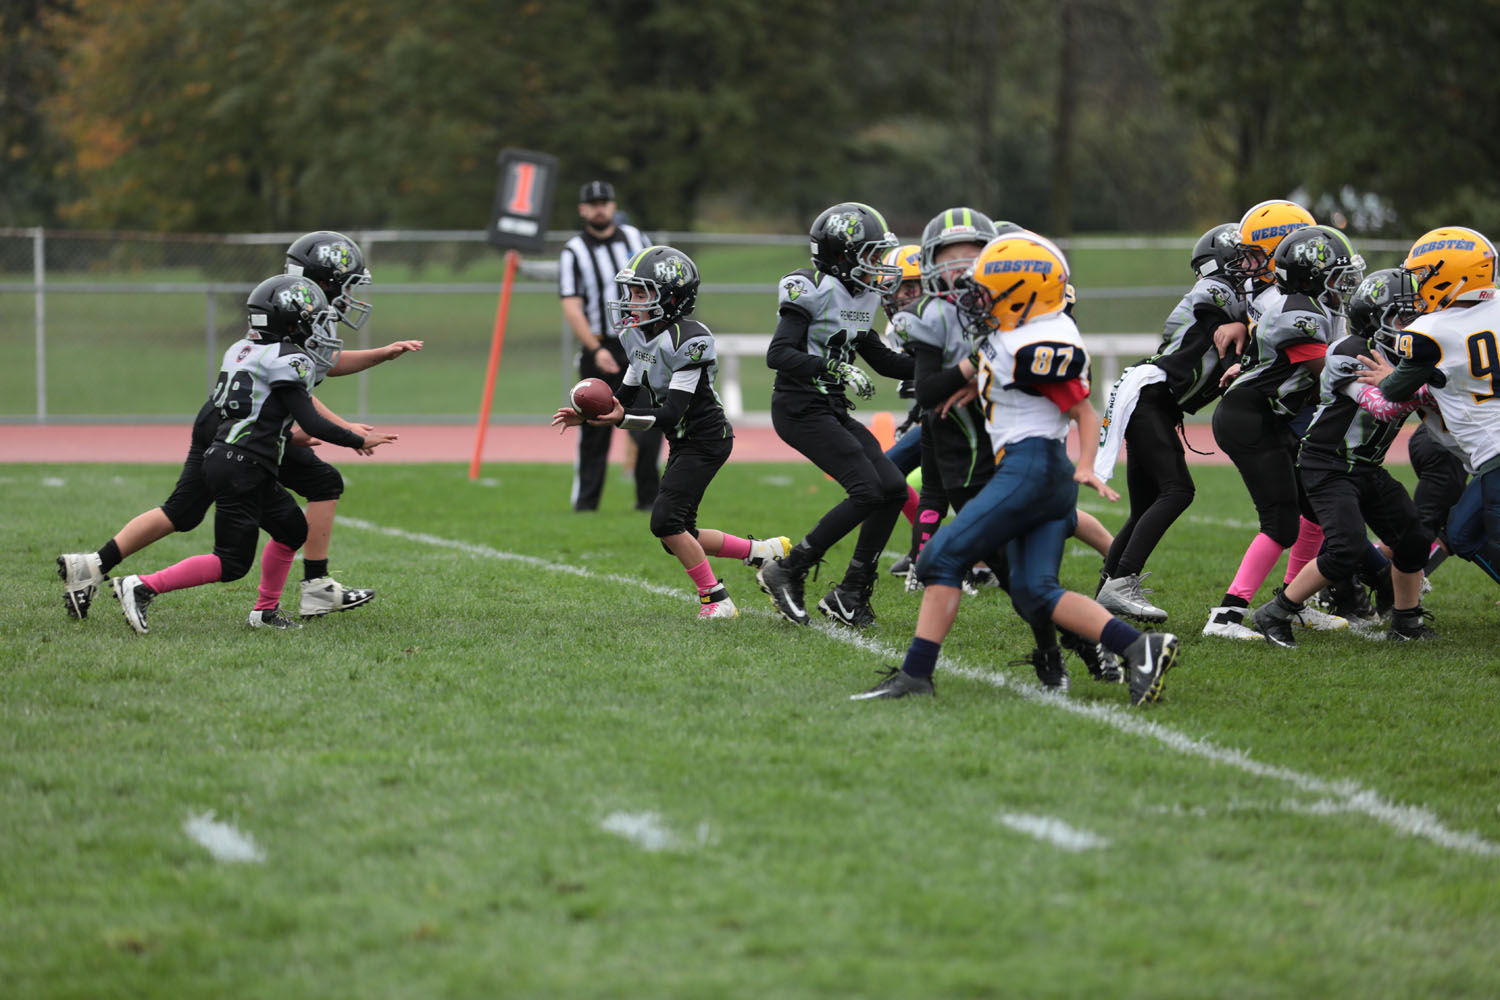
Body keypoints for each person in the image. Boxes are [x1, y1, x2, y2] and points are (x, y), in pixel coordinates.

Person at [853, 233, 1178, 705]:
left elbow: (1082, 410)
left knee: (937, 559)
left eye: (985, 290)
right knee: (1034, 589)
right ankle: (1139, 648)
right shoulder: (1017, 335)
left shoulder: (1039, 341)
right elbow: (1002, 375)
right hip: (1038, 473)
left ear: (1022, 291)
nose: (974, 298)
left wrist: (1087, 466)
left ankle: (916, 675)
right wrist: (979, 387)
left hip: (1030, 469)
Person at [57, 232, 419, 620]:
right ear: (326, 281)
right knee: (311, 490)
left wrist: (382, 355)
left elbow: (315, 371)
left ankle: (93, 565)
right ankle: (314, 588)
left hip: (233, 418)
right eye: (347, 283)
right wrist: (345, 431)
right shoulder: (295, 317)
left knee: (184, 511)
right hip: (246, 427)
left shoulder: (292, 313)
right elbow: (297, 392)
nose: (351, 293)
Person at [110, 275, 396, 635]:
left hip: (241, 459)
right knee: (230, 562)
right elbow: (311, 420)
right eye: (313, 319)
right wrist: (355, 437)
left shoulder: (242, 350)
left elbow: (268, 410)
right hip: (240, 465)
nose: (320, 326)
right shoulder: (290, 359)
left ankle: (265, 612)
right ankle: (143, 585)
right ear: (291, 322)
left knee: (292, 529)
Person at [553, 245, 789, 618]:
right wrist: (591, 414)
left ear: (673, 297)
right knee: (677, 534)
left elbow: (670, 411)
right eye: (631, 291)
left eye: (641, 292)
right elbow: (626, 393)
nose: (631, 300)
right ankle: (761, 553)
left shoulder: (688, 339)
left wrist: (620, 418)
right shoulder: (637, 335)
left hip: (706, 439)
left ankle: (716, 599)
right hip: (683, 440)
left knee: (665, 522)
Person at [1251, 267, 1436, 645]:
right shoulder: (1349, 350)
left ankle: (1406, 621)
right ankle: (1276, 612)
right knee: (1346, 548)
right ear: (1373, 319)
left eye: (1416, 313)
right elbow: (1381, 407)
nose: (1413, 323)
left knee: (1414, 537)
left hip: (1366, 466)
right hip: (1327, 464)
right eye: (1403, 315)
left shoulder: (1408, 359)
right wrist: (1409, 383)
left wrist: (1413, 381)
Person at [755, 201, 914, 628]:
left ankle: (851, 591)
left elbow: (880, 358)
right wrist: (834, 366)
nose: (879, 264)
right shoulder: (811, 286)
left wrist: (949, 367)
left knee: (893, 488)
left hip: (829, 407)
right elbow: (779, 354)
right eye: (871, 254)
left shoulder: (863, 293)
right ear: (842, 254)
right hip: (798, 405)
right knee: (866, 490)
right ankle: (788, 569)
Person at [1202, 207, 1352, 639]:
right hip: (1250, 418)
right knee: (1281, 521)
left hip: (1262, 414)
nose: (1343, 285)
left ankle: (1294, 600)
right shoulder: (1297, 312)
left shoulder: (1301, 304)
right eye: (1337, 275)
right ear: (1311, 273)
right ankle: (1228, 614)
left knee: (1312, 510)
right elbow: (1329, 374)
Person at [1093, 223, 1247, 622]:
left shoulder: (1227, 296)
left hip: (1151, 397)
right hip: (1151, 396)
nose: (1252, 265)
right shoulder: (1220, 291)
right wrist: (1246, 323)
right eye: (1244, 257)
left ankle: (1104, 593)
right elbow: (1217, 314)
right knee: (1177, 490)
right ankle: (1121, 582)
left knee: (1145, 503)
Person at [1363, 226, 1500, 597]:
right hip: (1489, 457)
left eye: (1423, 276)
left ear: (1451, 277)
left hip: (1494, 450)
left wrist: (1385, 376)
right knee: (1462, 533)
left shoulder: (1433, 329)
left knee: (1481, 537)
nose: (1418, 285)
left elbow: (1394, 391)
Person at [559, 180, 660, 512]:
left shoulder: (635, 238)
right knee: (593, 431)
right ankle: (586, 505)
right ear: (583, 210)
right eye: (594, 203)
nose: (600, 207)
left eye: (605, 201)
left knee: (648, 422)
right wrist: (594, 349)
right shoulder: (574, 250)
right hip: (599, 345)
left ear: (613, 206)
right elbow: (572, 305)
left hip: (639, 345)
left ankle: (648, 501)